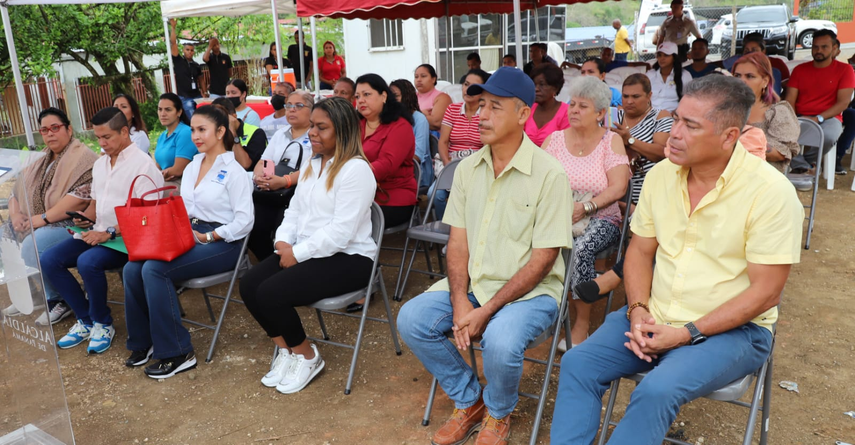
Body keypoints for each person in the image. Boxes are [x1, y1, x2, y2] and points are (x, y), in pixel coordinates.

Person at [550, 75, 803, 445]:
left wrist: (685, 334)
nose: (674, 134)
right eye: (677, 119)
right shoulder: (662, 176)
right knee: (577, 364)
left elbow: (765, 294)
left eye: (690, 125)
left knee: (657, 389)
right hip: (655, 313)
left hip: (734, 330)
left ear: (729, 136)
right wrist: (637, 309)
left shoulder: (771, 193)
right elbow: (639, 251)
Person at [397, 67, 573, 445]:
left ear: (523, 114)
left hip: (531, 293)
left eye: (495, 107)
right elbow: (457, 243)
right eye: (480, 106)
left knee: (501, 339)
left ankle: (498, 411)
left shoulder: (549, 175)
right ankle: (469, 399)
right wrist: (461, 302)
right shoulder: (468, 170)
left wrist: (485, 310)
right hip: (477, 284)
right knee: (412, 319)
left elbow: (543, 259)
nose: (482, 115)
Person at [240, 97, 377, 395]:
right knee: (249, 285)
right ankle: (287, 350)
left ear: (341, 131)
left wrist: (297, 253)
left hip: (350, 257)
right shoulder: (314, 164)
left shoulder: (356, 170)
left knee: (271, 293)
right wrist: (282, 240)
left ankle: (307, 356)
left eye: (321, 127)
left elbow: (341, 232)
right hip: (307, 250)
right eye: (312, 125)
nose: (312, 132)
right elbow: (295, 211)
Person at [123, 104, 253, 378]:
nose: (195, 135)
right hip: (188, 232)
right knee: (132, 267)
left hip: (223, 243)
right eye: (193, 129)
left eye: (202, 129)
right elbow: (185, 209)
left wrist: (208, 236)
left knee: (155, 269)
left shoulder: (234, 171)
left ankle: (178, 352)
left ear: (220, 132)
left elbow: (245, 222)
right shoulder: (194, 166)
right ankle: (144, 341)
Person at [40, 107, 163, 355]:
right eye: (97, 137)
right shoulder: (101, 164)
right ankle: (86, 320)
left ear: (125, 131)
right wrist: (84, 219)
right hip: (100, 233)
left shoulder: (143, 165)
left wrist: (108, 232)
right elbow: (96, 204)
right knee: (49, 259)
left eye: (107, 137)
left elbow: (147, 216)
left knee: (88, 262)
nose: (101, 143)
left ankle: (103, 323)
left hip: (128, 240)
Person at [542, 76, 630, 350]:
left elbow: (618, 188)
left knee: (579, 248)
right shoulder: (555, 139)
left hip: (602, 217)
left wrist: (586, 207)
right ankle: (543, 312)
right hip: (560, 214)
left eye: (583, 106)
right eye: (572, 104)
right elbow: (537, 180)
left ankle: (580, 324)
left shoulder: (610, 141)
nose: (574, 110)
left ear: (601, 113)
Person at [572, 74, 674, 305]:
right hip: (610, 194)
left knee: (647, 227)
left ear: (649, 95)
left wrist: (628, 141)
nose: (629, 101)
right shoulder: (611, 116)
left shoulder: (661, 116)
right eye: (625, 96)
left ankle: (625, 290)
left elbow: (661, 152)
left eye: (636, 96)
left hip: (649, 193)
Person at [2, 108, 98, 326]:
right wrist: (16, 214)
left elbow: (80, 198)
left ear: (68, 129)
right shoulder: (39, 159)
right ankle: (32, 294)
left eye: (55, 128)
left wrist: (41, 219)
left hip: (71, 224)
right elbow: (17, 191)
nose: (50, 134)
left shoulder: (84, 158)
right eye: (44, 130)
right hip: (37, 220)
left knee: (31, 243)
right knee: (4, 234)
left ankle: (58, 299)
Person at [249, 91, 314, 260]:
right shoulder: (280, 134)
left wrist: (284, 181)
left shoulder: (316, 135)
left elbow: (314, 167)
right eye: (288, 106)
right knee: (252, 227)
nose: (291, 110)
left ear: (312, 110)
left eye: (298, 106)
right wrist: (259, 177)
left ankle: (286, 261)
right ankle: (272, 261)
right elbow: (264, 161)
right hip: (271, 190)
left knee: (284, 230)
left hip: (300, 192)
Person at [785, 29, 854, 174]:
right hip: (799, 116)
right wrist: (792, 119)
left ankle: (803, 163)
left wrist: (818, 118)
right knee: (778, 135)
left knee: (827, 136)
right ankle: (805, 166)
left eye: (824, 47)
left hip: (828, 118)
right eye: (815, 47)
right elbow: (790, 99)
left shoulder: (845, 70)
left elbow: (843, 103)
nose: (818, 50)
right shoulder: (800, 70)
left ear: (834, 48)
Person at [355, 74, 417, 227]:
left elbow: (386, 165)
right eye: (357, 96)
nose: (361, 100)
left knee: (344, 219)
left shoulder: (400, 126)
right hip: (358, 194)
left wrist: (348, 178)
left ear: (384, 96)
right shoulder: (357, 125)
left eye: (366, 94)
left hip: (391, 198)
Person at [431, 69, 490, 220]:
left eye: (474, 86)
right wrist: (447, 165)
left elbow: (487, 146)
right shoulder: (452, 109)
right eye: (466, 84)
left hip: (477, 166)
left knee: (470, 197)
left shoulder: (487, 112)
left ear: (483, 90)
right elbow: (443, 142)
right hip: (451, 163)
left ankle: (466, 231)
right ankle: (446, 231)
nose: (468, 89)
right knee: (435, 195)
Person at [733, 52, 800, 173]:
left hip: (762, 179)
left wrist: (735, 145)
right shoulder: (723, 109)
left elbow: (781, 153)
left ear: (765, 81)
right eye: (737, 76)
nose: (741, 81)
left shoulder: (778, 112)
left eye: (749, 76)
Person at [391, 78, 432, 190]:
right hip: (393, 171)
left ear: (407, 97)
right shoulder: (390, 119)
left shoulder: (419, 119)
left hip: (417, 175)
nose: (391, 100)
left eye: (396, 96)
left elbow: (417, 156)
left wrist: (391, 162)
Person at [155, 93, 197, 194]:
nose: (163, 114)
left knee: (151, 193)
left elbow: (178, 170)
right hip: (165, 180)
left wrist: (161, 174)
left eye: (168, 110)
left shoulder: (185, 133)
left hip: (183, 183)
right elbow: (157, 166)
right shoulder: (162, 136)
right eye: (160, 109)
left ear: (179, 112)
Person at [719, 33, 787, 94]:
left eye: (754, 50)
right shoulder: (735, 69)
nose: (750, 53)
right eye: (747, 50)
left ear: (763, 51)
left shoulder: (774, 71)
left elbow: (786, 88)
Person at [211, 97, 267, 171]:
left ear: (234, 116)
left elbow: (245, 164)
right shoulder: (216, 133)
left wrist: (233, 132)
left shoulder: (256, 133)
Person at [525, 63, 569, 146]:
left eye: (542, 85)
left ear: (555, 88)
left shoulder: (567, 113)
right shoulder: (528, 109)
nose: (536, 89)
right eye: (534, 84)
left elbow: (566, 146)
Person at [169, 19, 204, 119]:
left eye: (192, 50)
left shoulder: (196, 65)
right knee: (193, 117)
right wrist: (173, 27)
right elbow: (173, 43)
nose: (190, 52)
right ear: (183, 50)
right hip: (185, 97)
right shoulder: (178, 61)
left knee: (204, 114)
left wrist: (204, 92)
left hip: (197, 95)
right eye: (187, 50)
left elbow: (201, 78)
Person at [646, 42, 692, 112]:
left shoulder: (685, 75)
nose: (662, 58)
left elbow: (690, 99)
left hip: (674, 117)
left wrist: (676, 113)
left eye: (666, 55)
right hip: (650, 115)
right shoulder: (650, 74)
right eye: (659, 55)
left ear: (674, 57)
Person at [415, 64, 453, 133]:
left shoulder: (442, 97)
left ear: (433, 79)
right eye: (416, 77)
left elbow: (436, 123)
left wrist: (415, 114)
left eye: (423, 76)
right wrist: (424, 114)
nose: (419, 80)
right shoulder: (410, 97)